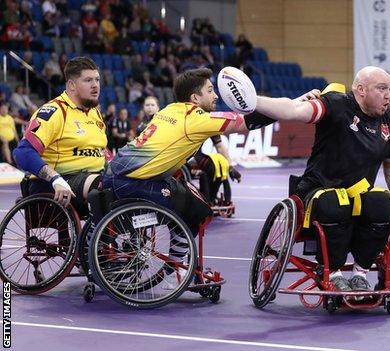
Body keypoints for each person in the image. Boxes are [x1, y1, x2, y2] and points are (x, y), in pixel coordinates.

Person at [253, 66, 390, 291]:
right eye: (382, 88)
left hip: (358, 197)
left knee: (381, 202)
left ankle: (360, 274)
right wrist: (253, 99)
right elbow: (294, 110)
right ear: (361, 90)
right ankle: (332, 272)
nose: (388, 95)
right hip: (318, 191)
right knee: (333, 203)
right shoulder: (335, 104)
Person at [103, 68, 280, 281]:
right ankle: (173, 267)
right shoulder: (195, 119)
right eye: (210, 90)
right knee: (197, 211)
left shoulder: (169, 110)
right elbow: (247, 122)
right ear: (195, 98)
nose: (216, 96)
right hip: (130, 182)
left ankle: (172, 259)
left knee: (189, 196)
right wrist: (285, 109)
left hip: (115, 172)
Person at [13, 56, 107, 211]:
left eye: (97, 80)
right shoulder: (54, 112)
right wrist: (55, 178)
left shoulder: (94, 113)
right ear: (71, 85)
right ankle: (97, 235)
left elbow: (100, 152)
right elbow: (22, 153)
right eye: (88, 80)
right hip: (54, 183)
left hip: (89, 177)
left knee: (125, 184)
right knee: (105, 186)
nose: (95, 85)